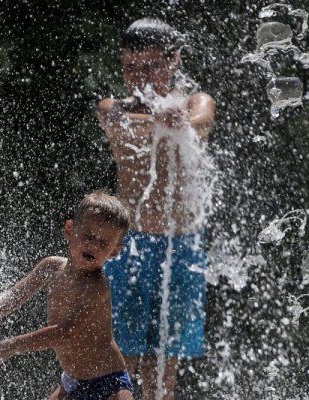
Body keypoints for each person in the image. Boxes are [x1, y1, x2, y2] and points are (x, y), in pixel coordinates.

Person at [96, 18, 215, 399]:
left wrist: (179, 120)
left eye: (152, 66)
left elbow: (199, 123)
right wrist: (160, 121)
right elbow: (120, 123)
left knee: (164, 362)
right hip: (126, 246)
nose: (141, 78)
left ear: (175, 60)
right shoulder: (112, 108)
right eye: (131, 67)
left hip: (182, 247)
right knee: (120, 356)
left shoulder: (197, 102)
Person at [0, 191, 134, 400]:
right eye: (89, 236)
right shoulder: (51, 267)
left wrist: (13, 345)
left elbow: (65, 332)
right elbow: (16, 294)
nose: (93, 246)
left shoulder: (97, 286)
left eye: (103, 244)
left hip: (109, 384)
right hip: (71, 382)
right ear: (70, 230)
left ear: (114, 252)